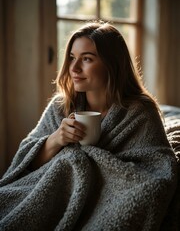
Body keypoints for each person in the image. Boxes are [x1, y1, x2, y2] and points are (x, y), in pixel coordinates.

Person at [0, 20, 178, 231]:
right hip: (57, 195)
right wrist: (56, 139)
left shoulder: (139, 111)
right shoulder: (61, 106)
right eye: (72, 58)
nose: (74, 68)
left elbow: (158, 169)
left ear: (112, 64)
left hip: (104, 196)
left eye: (86, 59)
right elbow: (24, 163)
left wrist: (97, 166)